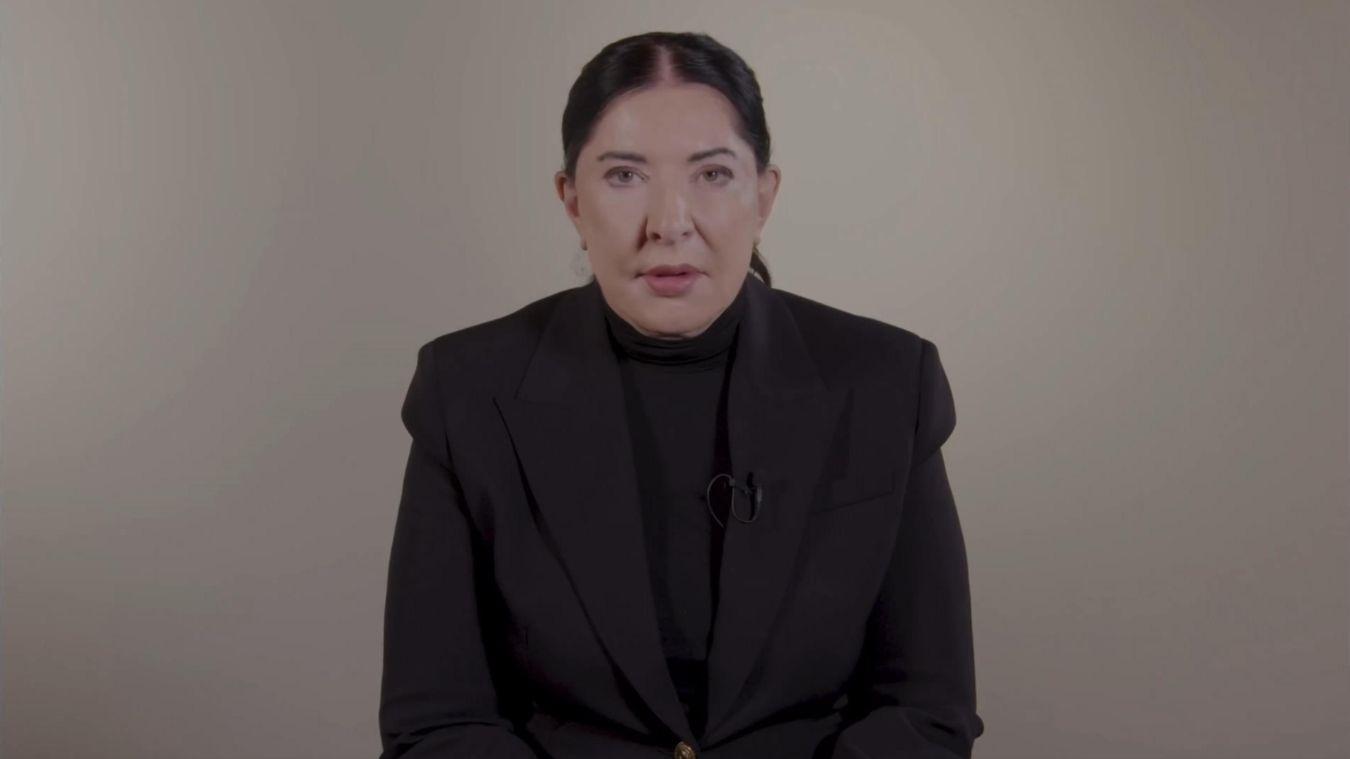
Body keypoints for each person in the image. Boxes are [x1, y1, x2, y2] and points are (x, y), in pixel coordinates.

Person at [378, 31, 984, 759]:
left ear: (764, 194)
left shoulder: (889, 381)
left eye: (713, 174)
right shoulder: (467, 389)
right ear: (570, 198)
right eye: (624, 175)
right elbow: (437, 723)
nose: (670, 223)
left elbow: (925, 712)